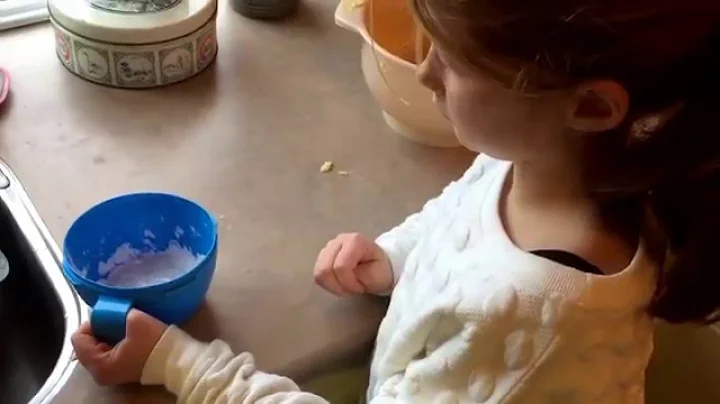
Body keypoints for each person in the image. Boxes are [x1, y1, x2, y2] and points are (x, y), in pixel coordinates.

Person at [71, 0, 720, 402]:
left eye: (456, 61)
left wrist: (180, 364)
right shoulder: (543, 162)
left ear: (588, 106)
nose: (427, 70)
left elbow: (494, 316)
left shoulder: (535, 329)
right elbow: (462, 212)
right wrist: (395, 259)